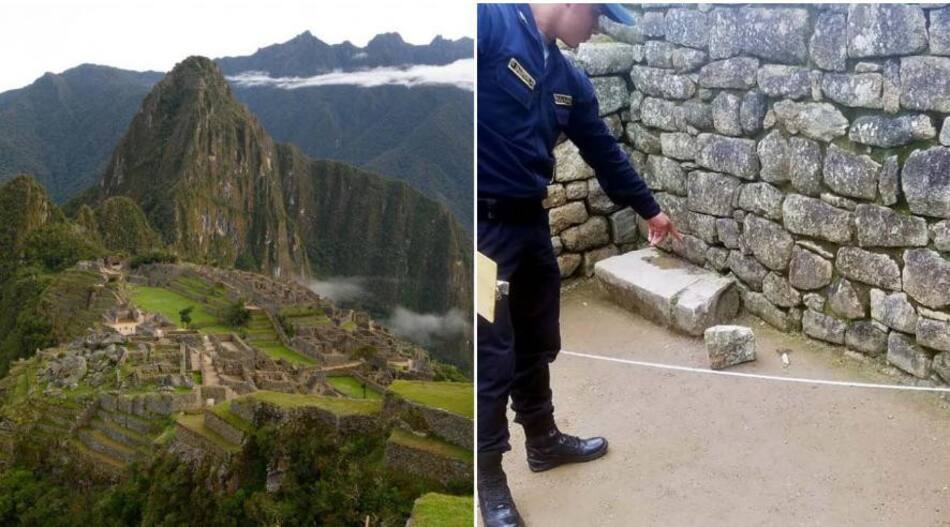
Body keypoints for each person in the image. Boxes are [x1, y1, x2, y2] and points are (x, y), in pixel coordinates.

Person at [477, 4, 682, 526]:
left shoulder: (568, 76)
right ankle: (487, 480)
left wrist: (649, 209)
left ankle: (542, 440)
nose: (596, 28)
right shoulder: (489, 22)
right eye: (595, 13)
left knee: (535, 335)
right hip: (478, 229)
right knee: (489, 351)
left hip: (528, 224)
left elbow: (603, 150)